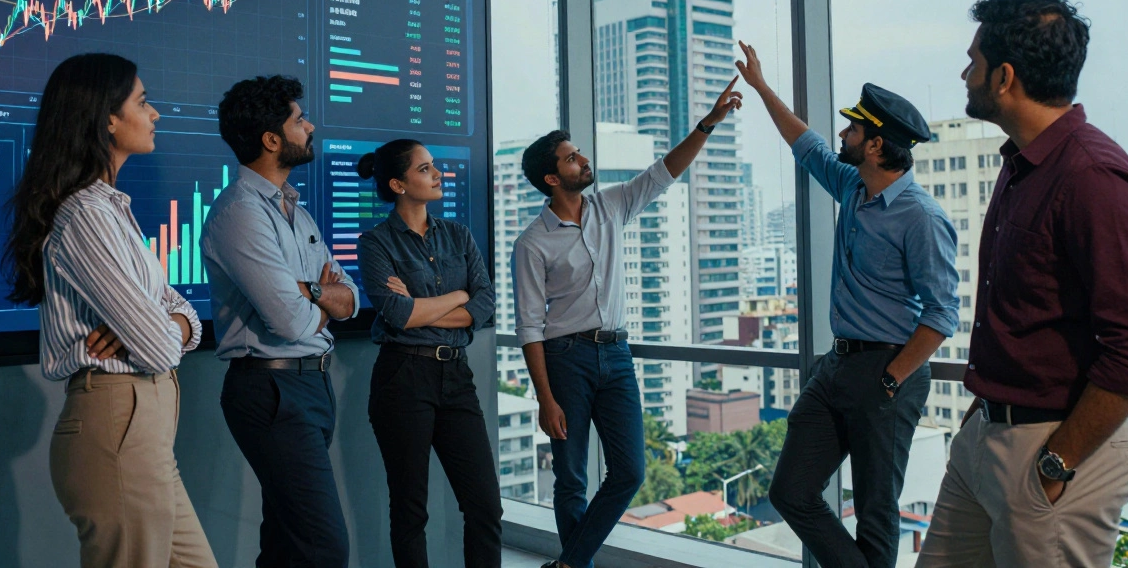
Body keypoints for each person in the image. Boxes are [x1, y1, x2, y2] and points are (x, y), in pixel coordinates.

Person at [916, 0, 1128, 567]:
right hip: (987, 435)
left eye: (973, 61)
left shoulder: (1093, 176)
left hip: (1053, 453)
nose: (965, 74)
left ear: (1004, 77)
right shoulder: (1023, 164)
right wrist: (981, 416)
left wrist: (1057, 463)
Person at [735, 43, 960, 568]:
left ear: (876, 145)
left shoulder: (921, 217)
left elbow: (942, 314)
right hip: (837, 367)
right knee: (791, 491)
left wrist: (891, 379)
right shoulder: (854, 187)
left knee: (876, 513)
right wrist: (762, 88)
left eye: (853, 129)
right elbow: (806, 144)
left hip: (888, 372)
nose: (843, 134)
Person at [514, 80, 743, 568]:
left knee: (629, 471)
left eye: (578, 152)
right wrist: (545, 398)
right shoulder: (532, 243)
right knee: (571, 478)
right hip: (565, 360)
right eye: (571, 158)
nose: (583, 160)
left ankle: (568, 564)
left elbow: (665, 171)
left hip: (616, 356)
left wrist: (708, 123)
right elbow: (529, 327)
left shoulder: (612, 205)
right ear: (552, 178)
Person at [4, 53, 217, 568]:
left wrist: (168, 321)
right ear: (108, 120)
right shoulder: (86, 215)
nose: (155, 114)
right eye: (143, 102)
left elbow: (177, 313)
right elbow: (159, 347)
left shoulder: (109, 209)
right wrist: (162, 327)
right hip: (120, 424)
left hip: (143, 432)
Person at [200, 75, 359, 568]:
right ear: (271, 140)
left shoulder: (297, 212)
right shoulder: (240, 213)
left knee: (289, 545)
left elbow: (352, 297)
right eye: (299, 119)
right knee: (323, 546)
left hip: (311, 386)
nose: (309, 126)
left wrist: (310, 291)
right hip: (271, 391)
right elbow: (288, 321)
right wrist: (319, 297)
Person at [356, 139, 502, 568]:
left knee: (485, 505)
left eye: (434, 166)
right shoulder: (375, 243)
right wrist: (458, 296)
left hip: (456, 376)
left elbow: (485, 303)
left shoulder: (459, 235)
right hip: (403, 377)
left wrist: (424, 308)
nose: (438, 174)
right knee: (410, 509)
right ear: (398, 184)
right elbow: (398, 314)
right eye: (424, 169)